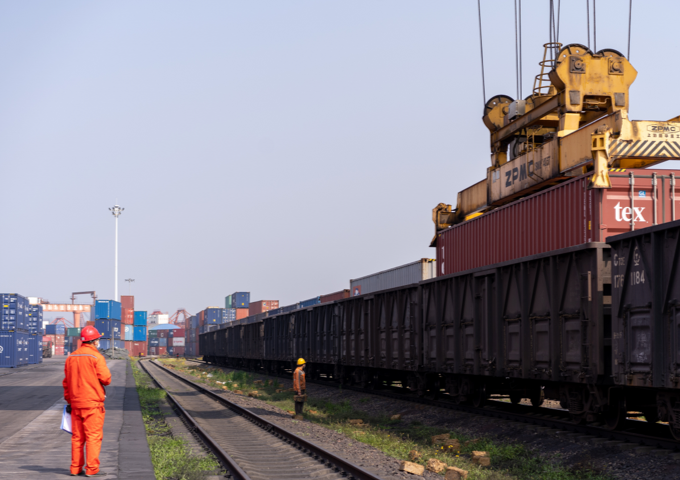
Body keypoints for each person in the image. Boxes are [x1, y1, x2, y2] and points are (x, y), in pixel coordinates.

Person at [63, 325, 112, 477]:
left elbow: (66, 383)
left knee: (77, 437)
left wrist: (70, 401)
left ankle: (75, 468)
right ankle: (91, 469)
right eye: (98, 339)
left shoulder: (71, 357)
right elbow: (106, 379)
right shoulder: (97, 357)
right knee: (93, 437)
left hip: (76, 404)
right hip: (92, 404)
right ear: (95, 341)